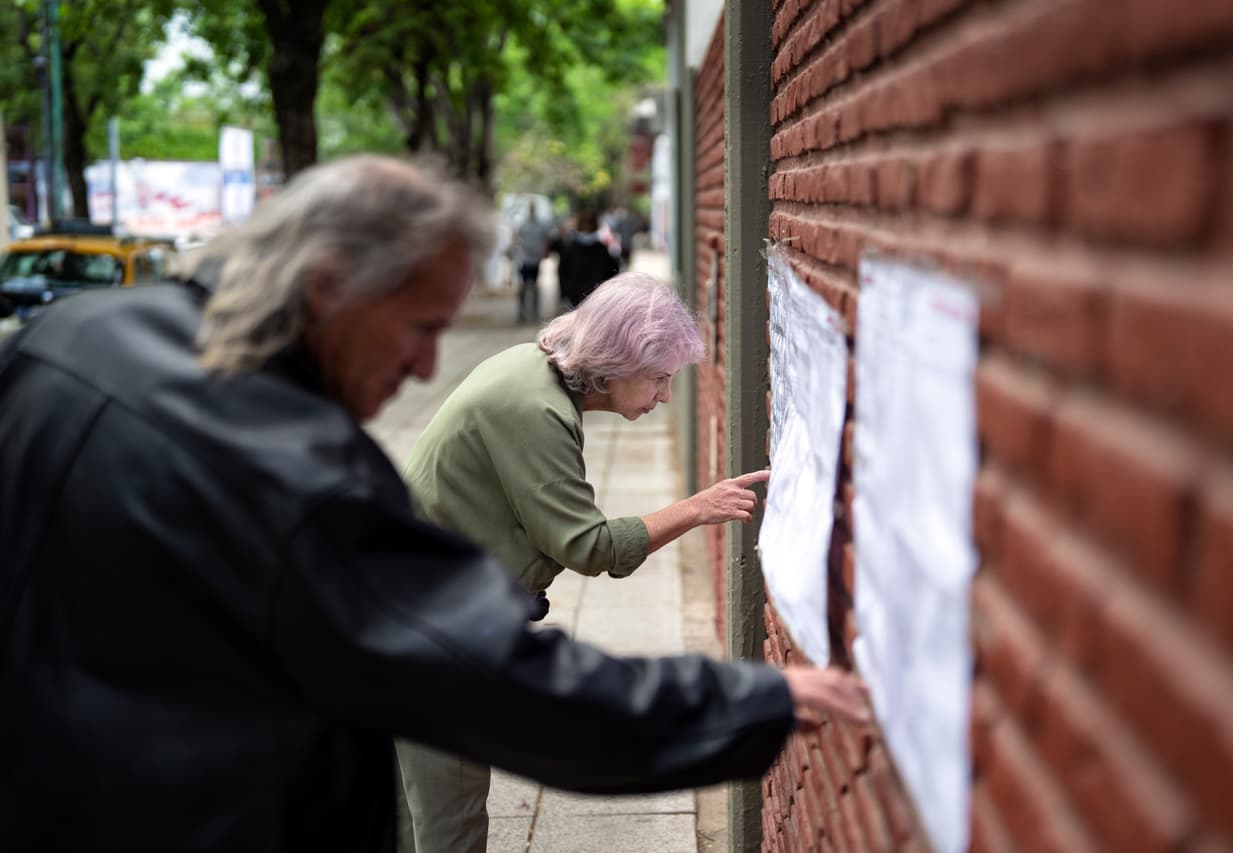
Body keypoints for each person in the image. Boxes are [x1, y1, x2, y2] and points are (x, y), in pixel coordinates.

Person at [0, 155, 870, 853]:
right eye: (421, 327)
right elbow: (498, 682)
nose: (426, 369)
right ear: (330, 286)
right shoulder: (299, 477)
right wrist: (747, 703)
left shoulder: (65, 340)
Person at [396, 273, 771, 853]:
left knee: (413, 803)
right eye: (659, 378)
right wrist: (696, 509)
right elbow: (589, 546)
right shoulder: (535, 410)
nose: (665, 396)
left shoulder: (528, 368)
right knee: (452, 817)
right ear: (616, 363)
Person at [556, 208, 619, 308]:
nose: (587, 227)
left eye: (589, 224)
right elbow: (563, 271)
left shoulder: (601, 249)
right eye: (585, 224)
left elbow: (612, 272)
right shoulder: (571, 247)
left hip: (595, 298)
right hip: (580, 297)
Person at [511, 200, 548, 323]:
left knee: (535, 287)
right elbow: (516, 238)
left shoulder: (540, 225)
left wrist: (543, 253)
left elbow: (545, 240)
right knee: (523, 287)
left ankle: (535, 312)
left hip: (535, 260)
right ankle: (521, 313)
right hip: (525, 260)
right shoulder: (523, 224)